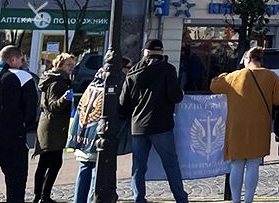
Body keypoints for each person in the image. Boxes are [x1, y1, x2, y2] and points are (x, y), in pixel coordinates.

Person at [211, 46, 279, 203]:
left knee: (236, 165)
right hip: (259, 126)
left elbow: (214, 86)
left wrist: (224, 74)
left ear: (247, 59)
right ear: (261, 60)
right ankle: (249, 200)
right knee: (253, 164)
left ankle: (235, 200)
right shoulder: (270, 76)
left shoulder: (235, 76)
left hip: (236, 126)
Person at [121, 39, 190, 203]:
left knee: (138, 166)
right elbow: (175, 97)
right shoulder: (168, 70)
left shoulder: (132, 72)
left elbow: (123, 103)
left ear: (145, 52)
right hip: (161, 125)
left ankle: (138, 198)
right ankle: (180, 198)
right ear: (162, 52)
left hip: (138, 126)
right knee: (170, 163)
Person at [0, 45, 38, 203]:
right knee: (15, 187)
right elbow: (31, 110)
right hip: (13, 138)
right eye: (21, 60)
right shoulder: (23, 77)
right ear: (13, 59)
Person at [68, 60, 133, 203]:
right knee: (97, 173)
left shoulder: (94, 82)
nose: (129, 71)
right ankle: (94, 200)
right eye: (128, 67)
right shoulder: (115, 83)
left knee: (84, 168)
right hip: (98, 136)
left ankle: (79, 200)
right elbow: (122, 108)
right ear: (121, 68)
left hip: (84, 134)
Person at [34, 52, 75, 203]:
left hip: (49, 125)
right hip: (53, 127)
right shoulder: (58, 81)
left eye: (73, 65)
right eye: (69, 65)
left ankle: (40, 196)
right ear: (60, 65)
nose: (72, 68)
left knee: (45, 162)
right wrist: (65, 99)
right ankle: (43, 196)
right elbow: (52, 105)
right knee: (54, 163)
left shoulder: (53, 78)